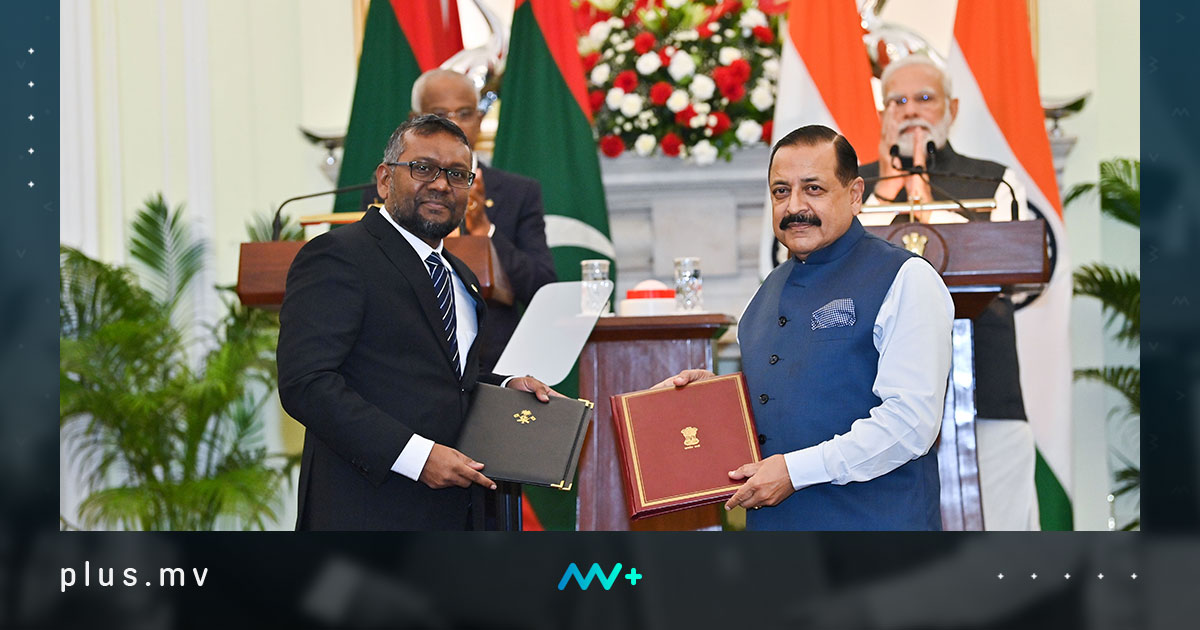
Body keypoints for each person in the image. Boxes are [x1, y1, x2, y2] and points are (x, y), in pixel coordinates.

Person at [656, 125, 953, 530]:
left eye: (813, 189)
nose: (795, 206)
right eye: (781, 191)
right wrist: (717, 401)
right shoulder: (765, 293)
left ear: (855, 194)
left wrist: (796, 472)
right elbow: (782, 401)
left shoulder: (905, 277)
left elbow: (911, 424)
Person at [278, 115, 556, 531]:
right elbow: (307, 383)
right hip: (368, 515)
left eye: (457, 174)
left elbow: (447, 380)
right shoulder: (338, 255)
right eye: (423, 168)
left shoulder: (460, 275)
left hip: (455, 519)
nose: (441, 185)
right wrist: (416, 456)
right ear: (384, 179)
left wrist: (504, 387)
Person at [859, 52, 1038, 531]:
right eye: (897, 101)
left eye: (924, 98)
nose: (911, 111)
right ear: (882, 113)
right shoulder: (854, 187)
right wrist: (889, 190)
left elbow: (1001, 258)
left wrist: (922, 197)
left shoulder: (992, 180)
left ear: (952, 108)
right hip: (876, 400)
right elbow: (843, 264)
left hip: (986, 386)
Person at [363, 69, 557, 372]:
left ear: (479, 119)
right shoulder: (390, 190)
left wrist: (484, 230)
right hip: (406, 362)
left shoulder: (519, 192)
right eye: (439, 114)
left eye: (464, 114)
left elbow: (542, 288)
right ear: (415, 120)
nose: (453, 124)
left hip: (498, 366)